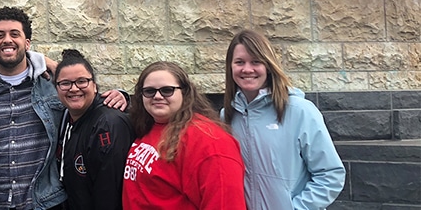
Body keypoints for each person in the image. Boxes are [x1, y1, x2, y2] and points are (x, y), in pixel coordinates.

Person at [224, 29, 345, 209]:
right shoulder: (227, 116)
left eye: (256, 62)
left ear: (269, 66)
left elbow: (330, 175)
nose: (247, 69)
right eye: (240, 62)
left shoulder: (300, 111)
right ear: (230, 67)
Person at [0, 6, 67, 210]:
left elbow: (86, 96)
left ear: (27, 43)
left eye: (15, 34)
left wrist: (119, 95)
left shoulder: (53, 83)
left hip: (43, 203)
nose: (7, 40)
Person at [122, 61, 246, 210]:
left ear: (185, 93)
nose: (157, 96)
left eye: (167, 90)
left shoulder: (211, 142)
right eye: (149, 91)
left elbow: (226, 203)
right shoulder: (148, 126)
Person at [54, 49, 134, 210]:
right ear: (56, 89)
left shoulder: (108, 125)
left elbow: (109, 194)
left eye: (82, 81)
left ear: (95, 86)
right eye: (65, 83)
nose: (74, 88)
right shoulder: (66, 118)